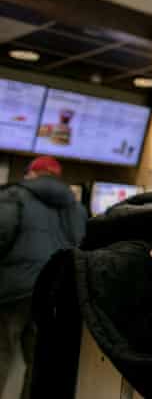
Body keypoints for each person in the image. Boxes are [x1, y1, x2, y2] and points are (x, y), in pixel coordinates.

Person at [0, 156, 87, 399]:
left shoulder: (14, 196)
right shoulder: (76, 207)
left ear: (31, 173)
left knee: (2, 354)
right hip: (53, 292)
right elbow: (80, 247)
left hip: (12, 291)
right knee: (39, 363)